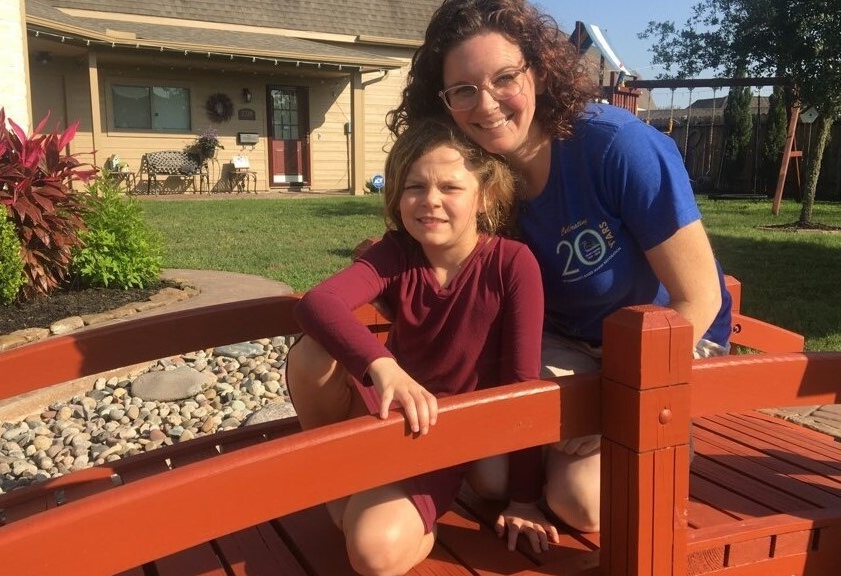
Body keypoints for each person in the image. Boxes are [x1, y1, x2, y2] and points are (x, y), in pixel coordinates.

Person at [386, 0, 733, 534]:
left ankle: (619, 449)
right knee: (492, 478)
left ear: (540, 73)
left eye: (505, 78)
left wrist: (615, 399)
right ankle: (556, 454)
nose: (487, 104)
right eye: (463, 90)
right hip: (559, 347)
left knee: (582, 504)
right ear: (445, 102)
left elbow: (699, 296)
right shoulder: (478, 173)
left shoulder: (616, 147)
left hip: (662, 344)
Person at [286, 117, 557, 576]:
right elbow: (319, 303)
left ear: (484, 196)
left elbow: (522, 385)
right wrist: (382, 365)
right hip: (384, 407)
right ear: (397, 194)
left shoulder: (512, 264)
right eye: (415, 186)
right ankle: (331, 475)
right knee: (311, 353)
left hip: (441, 431)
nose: (430, 200)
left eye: (450, 187)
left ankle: (399, 511)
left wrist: (525, 498)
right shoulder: (396, 252)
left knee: (372, 552)